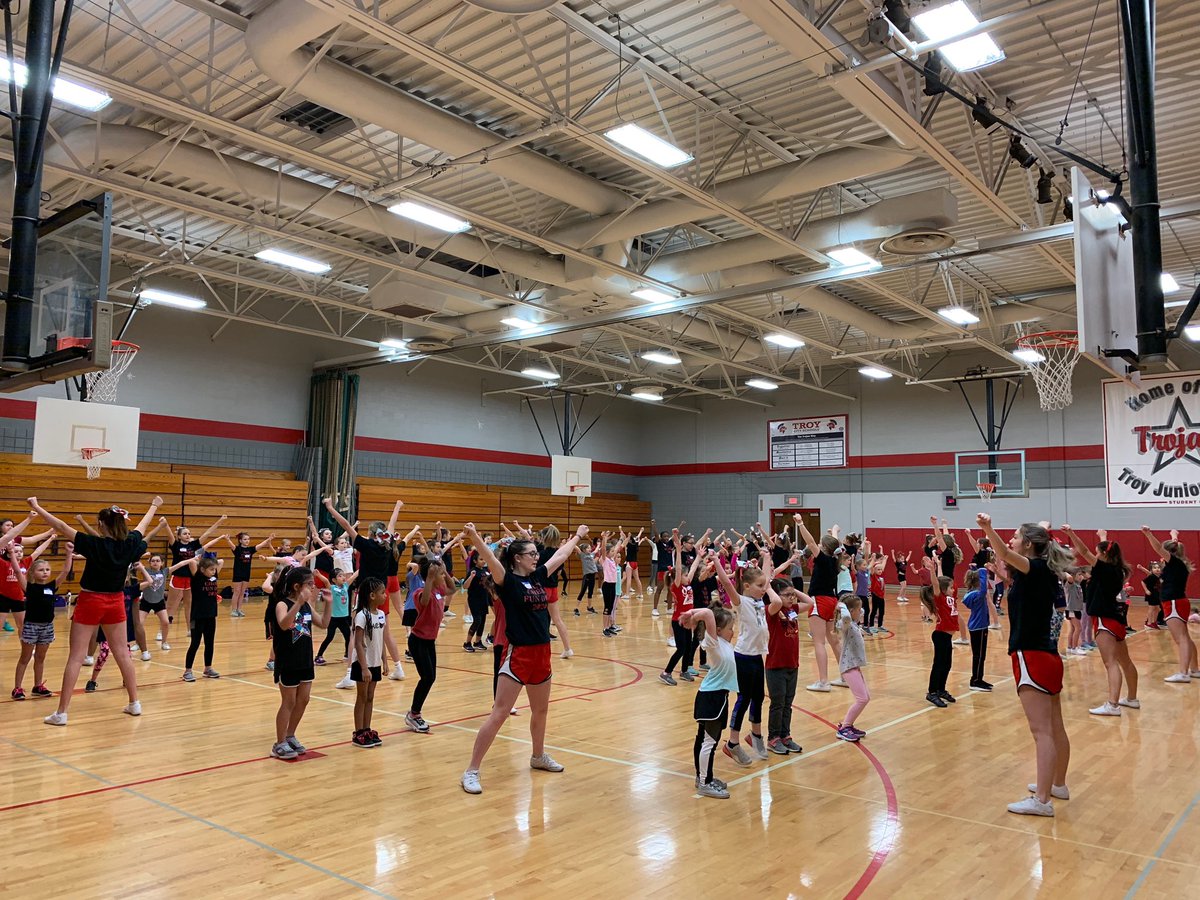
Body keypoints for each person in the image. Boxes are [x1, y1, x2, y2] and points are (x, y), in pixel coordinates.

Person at [459, 521, 587, 795]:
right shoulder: (508, 581)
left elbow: (560, 556)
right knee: (500, 713)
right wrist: (475, 537)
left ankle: (538, 756)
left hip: (543, 653)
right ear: (518, 558)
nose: (537, 557)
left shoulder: (539, 577)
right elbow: (492, 558)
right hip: (519, 655)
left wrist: (578, 535)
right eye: (531, 554)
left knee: (540, 711)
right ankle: (471, 770)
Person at [29, 495, 163, 726]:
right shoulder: (130, 544)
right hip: (116, 602)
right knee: (122, 653)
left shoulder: (94, 544)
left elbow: (60, 526)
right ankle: (134, 703)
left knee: (76, 656)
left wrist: (37, 507)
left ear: (101, 524)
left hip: (91, 600)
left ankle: (61, 713)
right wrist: (153, 506)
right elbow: (142, 527)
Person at [976, 514, 1072, 817]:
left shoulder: (1037, 567)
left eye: (1016, 536)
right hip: (1048, 655)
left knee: (1041, 732)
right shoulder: (1040, 572)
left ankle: (1042, 801)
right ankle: (1057, 785)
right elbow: (1009, 565)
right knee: (1055, 727)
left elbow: (1003, 553)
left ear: (1027, 544)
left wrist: (987, 528)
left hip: (1032, 655)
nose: (1012, 539)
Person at [322, 497, 408, 680]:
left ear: (370, 533)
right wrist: (397, 507)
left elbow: (345, 524)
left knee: (356, 634)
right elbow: (392, 523)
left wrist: (330, 507)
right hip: (381, 592)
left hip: (366, 592)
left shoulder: (367, 545)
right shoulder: (387, 544)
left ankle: (348, 675)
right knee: (385, 631)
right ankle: (398, 667)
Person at [1059, 526, 1140, 714]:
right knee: (1125, 661)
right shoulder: (1118, 569)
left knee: (1110, 662)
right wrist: (1103, 536)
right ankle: (1132, 698)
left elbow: (1085, 551)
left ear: (1103, 554)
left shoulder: (1103, 569)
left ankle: (1112, 705)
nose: (1094, 554)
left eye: (1098, 552)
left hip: (1105, 618)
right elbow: (1105, 549)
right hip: (1116, 617)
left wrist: (1071, 534)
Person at [713, 551, 779, 766]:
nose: (764, 588)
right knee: (744, 699)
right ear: (747, 586)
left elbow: (767, 578)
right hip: (742, 656)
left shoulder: (760, 602)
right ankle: (732, 743)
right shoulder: (741, 602)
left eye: (764, 586)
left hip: (757, 656)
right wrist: (715, 561)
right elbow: (726, 581)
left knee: (758, 697)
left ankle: (756, 735)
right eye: (759, 586)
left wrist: (766, 557)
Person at [268, 566, 331, 759]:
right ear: (297, 586)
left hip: (305, 659)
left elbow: (323, 623)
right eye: (309, 584)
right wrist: (298, 604)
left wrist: (329, 603)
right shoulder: (282, 604)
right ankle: (279, 743)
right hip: (288, 660)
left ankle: (290, 735)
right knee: (289, 701)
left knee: (303, 700)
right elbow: (284, 624)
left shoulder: (307, 605)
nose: (313, 587)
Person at [678, 601, 737, 800]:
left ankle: (704, 777)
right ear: (718, 630)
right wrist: (692, 614)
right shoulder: (713, 642)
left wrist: (692, 614)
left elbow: (710, 614)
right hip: (712, 696)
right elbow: (708, 614)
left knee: (705, 739)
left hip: (718, 695)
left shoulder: (725, 643)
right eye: (730, 629)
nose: (733, 632)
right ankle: (704, 782)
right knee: (708, 742)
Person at [12, 545, 74, 700]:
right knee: (25, 658)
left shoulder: (52, 586)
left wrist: (68, 553)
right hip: (31, 626)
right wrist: (12, 553)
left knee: (40, 658)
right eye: (41, 570)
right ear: (33, 572)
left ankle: (37, 685)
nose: (45, 572)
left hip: (47, 627)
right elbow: (18, 571)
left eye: (47, 569)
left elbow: (66, 571)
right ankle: (17, 688)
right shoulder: (29, 587)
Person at [1141, 527, 1199, 683]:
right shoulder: (1179, 563)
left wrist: (1148, 534)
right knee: (1185, 637)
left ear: (1169, 554)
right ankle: (1194, 669)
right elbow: (1173, 545)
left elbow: (1158, 547)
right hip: (1178, 601)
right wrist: (1174, 535)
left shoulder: (1174, 563)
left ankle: (1183, 673)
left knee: (1181, 639)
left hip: (1173, 602)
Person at [407, 555, 453, 733]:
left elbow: (452, 589)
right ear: (431, 577)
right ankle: (414, 714)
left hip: (429, 642)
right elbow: (424, 602)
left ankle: (414, 713)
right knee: (427, 677)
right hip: (418, 640)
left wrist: (444, 571)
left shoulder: (440, 590)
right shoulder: (420, 591)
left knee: (430, 677)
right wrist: (430, 578)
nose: (443, 577)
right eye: (440, 575)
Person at [796, 516, 842, 692]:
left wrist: (800, 523)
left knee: (819, 642)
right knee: (834, 641)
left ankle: (823, 681)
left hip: (819, 600)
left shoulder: (822, 558)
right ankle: (845, 676)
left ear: (824, 547)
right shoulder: (834, 559)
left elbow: (809, 541)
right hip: (832, 600)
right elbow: (834, 543)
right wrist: (836, 531)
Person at [765, 584, 811, 754]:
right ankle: (773, 738)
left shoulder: (794, 609)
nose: (792, 598)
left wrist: (793, 590)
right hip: (776, 665)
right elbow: (776, 601)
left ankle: (785, 735)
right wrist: (770, 587)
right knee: (778, 703)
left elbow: (810, 602)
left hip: (793, 664)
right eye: (787, 595)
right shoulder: (772, 611)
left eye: (793, 595)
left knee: (788, 703)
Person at [661, 530, 710, 685]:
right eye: (684, 574)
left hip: (688, 620)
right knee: (681, 649)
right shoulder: (676, 585)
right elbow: (679, 569)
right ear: (678, 576)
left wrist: (699, 557)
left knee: (688, 647)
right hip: (679, 621)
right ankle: (666, 672)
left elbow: (694, 568)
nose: (687, 576)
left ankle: (684, 671)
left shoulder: (687, 583)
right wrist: (678, 550)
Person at [167, 554, 226, 683]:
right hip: (197, 617)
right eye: (211, 569)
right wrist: (199, 560)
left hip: (211, 616)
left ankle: (208, 668)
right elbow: (192, 564)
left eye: (214, 569)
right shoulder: (197, 578)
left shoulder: (214, 577)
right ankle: (187, 671)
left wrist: (212, 563)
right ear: (202, 570)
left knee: (210, 643)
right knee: (195, 643)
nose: (214, 571)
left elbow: (220, 561)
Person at [163, 516, 227, 629]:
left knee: (189, 605)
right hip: (177, 577)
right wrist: (165, 523)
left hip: (190, 579)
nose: (188, 535)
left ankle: (189, 629)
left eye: (189, 533)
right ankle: (162, 629)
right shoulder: (176, 545)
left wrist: (220, 521)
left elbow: (207, 533)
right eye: (184, 534)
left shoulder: (194, 546)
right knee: (171, 605)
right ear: (179, 536)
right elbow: (169, 534)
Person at [351, 577, 388, 748]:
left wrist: (385, 662)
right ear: (372, 595)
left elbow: (382, 640)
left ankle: (367, 728)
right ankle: (358, 732)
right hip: (363, 663)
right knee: (362, 696)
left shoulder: (381, 615)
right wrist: (364, 668)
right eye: (382, 592)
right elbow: (358, 643)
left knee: (371, 696)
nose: (385, 595)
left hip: (375, 662)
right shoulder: (361, 616)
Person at [919, 556, 957, 708]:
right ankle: (932, 692)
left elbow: (942, 581)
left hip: (947, 637)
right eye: (951, 587)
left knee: (947, 664)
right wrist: (932, 571)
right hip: (940, 635)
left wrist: (939, 565)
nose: (953, 589)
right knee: (939, 664)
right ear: (943, 590)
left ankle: (941, 689)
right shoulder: (940, 598)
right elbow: (937, 583)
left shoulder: (950, 596)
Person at [836, 595, 870, 741]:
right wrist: (842, 606)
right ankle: (844, 727)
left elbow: (861, 612)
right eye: (858, 609)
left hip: (854, 666)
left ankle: (848, 725)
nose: (861, 611)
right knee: (862, 699)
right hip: (848, 666)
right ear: (850, 611)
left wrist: (852, 603)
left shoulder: (854, 623)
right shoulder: (846, 624)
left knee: (866, 697)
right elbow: (846, 618)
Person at [224, 531, 274, 618]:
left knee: (242, 592)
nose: (247, 541)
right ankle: (233, 610)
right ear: (240, 540)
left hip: (246, 573)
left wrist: (269, 539)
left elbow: (260, 545)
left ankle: (239, 609)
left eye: (248, 539)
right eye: (245, 539)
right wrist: (228, 539)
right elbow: (231, 545)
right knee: (237, 592)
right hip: (238, 573)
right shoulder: (237, 549)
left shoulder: (250, 550)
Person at [315, 567, 358, 665]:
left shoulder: (346, 586)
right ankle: (318, 656)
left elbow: (354, 575)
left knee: (348, 637)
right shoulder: (332, 588)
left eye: (343, 575)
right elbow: (326, 581)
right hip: (333, 618)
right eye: (340, 576)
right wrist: (318, 575)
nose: (343, 577)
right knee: (329, 637)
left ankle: (347, 654)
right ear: (334, 580)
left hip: (344, 618)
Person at [961, 566, 993, 691]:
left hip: (980, 627)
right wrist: (983, 572)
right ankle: (975, 681)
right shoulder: (976, 594)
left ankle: (979, 678)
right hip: (978, 628)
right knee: (979, 655)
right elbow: (984, 590)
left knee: (981, 655)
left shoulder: (973, 594)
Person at [462, 555, 492, 651]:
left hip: (484, 599)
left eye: (484, 559)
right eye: (481, 559)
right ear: (475, 561)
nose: (483, 561)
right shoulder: (472, 571)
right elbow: (465, 586)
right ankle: (467, 643)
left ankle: (478, 642)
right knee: (477, 620)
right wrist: (471, 577)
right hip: (474, 599)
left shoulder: (485, 571)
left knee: (482, 621)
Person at [575, 538, 599, 615]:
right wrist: (571, 542)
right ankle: (576, 608)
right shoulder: (582, 555)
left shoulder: (591, 554)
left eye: (590, 548)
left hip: (593, 576)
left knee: (590, 592)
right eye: (588, 548)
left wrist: (598, 545)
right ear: (584, 550)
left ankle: (589, 607)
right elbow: (577, 548)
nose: (590, 549)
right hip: (587, 576)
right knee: (582, 592)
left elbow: (595, 551)